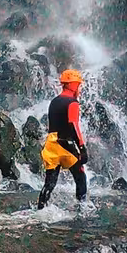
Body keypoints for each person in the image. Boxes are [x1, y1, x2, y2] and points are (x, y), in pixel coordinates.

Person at [38, 67, 88, 208]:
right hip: (65, 145)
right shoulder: (72, 103)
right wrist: (82, 148)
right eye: (78, 84)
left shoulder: (54, 101)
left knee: (49, 183)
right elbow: (74, 126)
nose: (79, 87)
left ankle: (41, 209)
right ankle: (82, 207)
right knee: (80, 176)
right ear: (72, 85)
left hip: (51, 145)